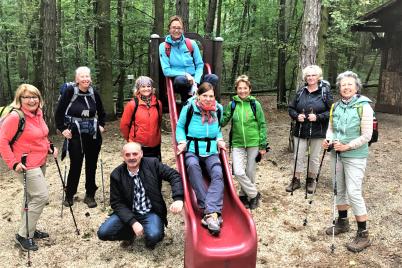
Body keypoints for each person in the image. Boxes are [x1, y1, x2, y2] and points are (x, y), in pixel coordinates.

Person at [0, 84, 58, 251]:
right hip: (25, 165)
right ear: (20, 99)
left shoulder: (37, 114)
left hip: (40, 162)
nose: (32, 100)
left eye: (35, 97)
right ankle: (22, 235)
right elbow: (2, 142)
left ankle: (29, 229)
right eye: (27, 97)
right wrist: (13, 163)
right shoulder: (15, 117)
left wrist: (49, 147)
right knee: (40, 196)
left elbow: (41, 136)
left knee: (31, 197)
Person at [322, 71, 373, 252]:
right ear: (339, 87)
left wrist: (348, 146)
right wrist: (328, 139)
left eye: (350, 84)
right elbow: (330, 129)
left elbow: (367, 135)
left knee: (353, 192)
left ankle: (363, 234)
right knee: (338, 188)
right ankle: (343, 222)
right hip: (336, 154)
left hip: (355, 156)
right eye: (343, 84)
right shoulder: (335, 107)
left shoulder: (364, 107)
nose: (346, 87)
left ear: (356, 87)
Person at [97, 142, 184, 249]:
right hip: (129, 212)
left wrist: (178, 198)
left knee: (154, 235)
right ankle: (129, 234)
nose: (131, 157)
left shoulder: (153, 164)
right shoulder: (116, 174)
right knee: (103, 232)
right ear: (123, 156)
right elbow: (116, 203)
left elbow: (174, 175)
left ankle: (152, 236)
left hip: (150, 212)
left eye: (135, 154)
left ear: (141, 154)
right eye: (127, 155)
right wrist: (133, 222)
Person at [176, 82, 225, 236]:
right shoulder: (189, 107)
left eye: (211, 96)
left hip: (210, 151)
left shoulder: (218, 109)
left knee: (218, 173)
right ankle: (211, 212)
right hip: (193, 149)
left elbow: (218, 129)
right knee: (192, 167)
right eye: (205, 95)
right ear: (198, 95)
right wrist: (182, 141)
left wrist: (219, 139)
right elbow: (180, 127)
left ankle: (208, 213)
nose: (208, 99)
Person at [55, 66, 106, 208]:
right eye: (82, 77)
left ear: (90, 78)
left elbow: (101, 111)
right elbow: (58, 112)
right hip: (75, 133)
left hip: (92, 133)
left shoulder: (93, 92)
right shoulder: (70, 92)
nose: (85, 79)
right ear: (77, 79)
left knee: (92, 164)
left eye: (87, 76)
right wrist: (62, 129)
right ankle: (70, 194)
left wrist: (101, 125)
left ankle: (90, 195)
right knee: (76, 164)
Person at [221, 75, 267, 210]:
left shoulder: (255, 104)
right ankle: (254, 194)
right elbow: (223, 121)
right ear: (236, 90)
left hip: (254, 141)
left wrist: (263, 145)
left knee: (250, 171)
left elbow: (262, 124)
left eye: (245, 88)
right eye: (240, 88)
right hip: (237, 143)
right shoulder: (232, 104)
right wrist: (213, 114)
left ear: (250, 89)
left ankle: (243, 195)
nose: (242, 91)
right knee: (238, 171)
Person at [287, 65, 332, 193]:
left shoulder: (325, 92)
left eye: (313, 75)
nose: (311, 78)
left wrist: (318, 117)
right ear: (305, 78)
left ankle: (311, 180)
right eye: (308, 75)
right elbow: (291, 108)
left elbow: (332, 111)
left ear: (318, 77)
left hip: (318, 131)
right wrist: (296, 116)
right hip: (300, 130)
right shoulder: (301, 92)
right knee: (298, 156)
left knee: (314, 157)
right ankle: (296, 180)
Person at [159, 15, 219, 104]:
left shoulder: (191, 43)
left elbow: (199, 64)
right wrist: (185, 74)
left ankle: (203, 100)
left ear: (182, 30)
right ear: (169, 29)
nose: (176, 30)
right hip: (179, 80)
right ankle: (187, 101)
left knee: (213, 78)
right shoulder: (164, 46)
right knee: (181, 80)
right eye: (174, 28)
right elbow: (166, 71)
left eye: (179, 28)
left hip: (195, 77)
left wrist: (196, 80)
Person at [120, 76, 162, 160]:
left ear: (152, 88)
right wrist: (130, 140)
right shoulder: (132, 104)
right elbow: (124, 125)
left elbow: (159, 121)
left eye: (148, 86)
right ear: (138, 89)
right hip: (137, 146)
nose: (146, 89)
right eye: (143, 86)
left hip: (155, 145)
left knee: (155, 171)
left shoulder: (158, 103)